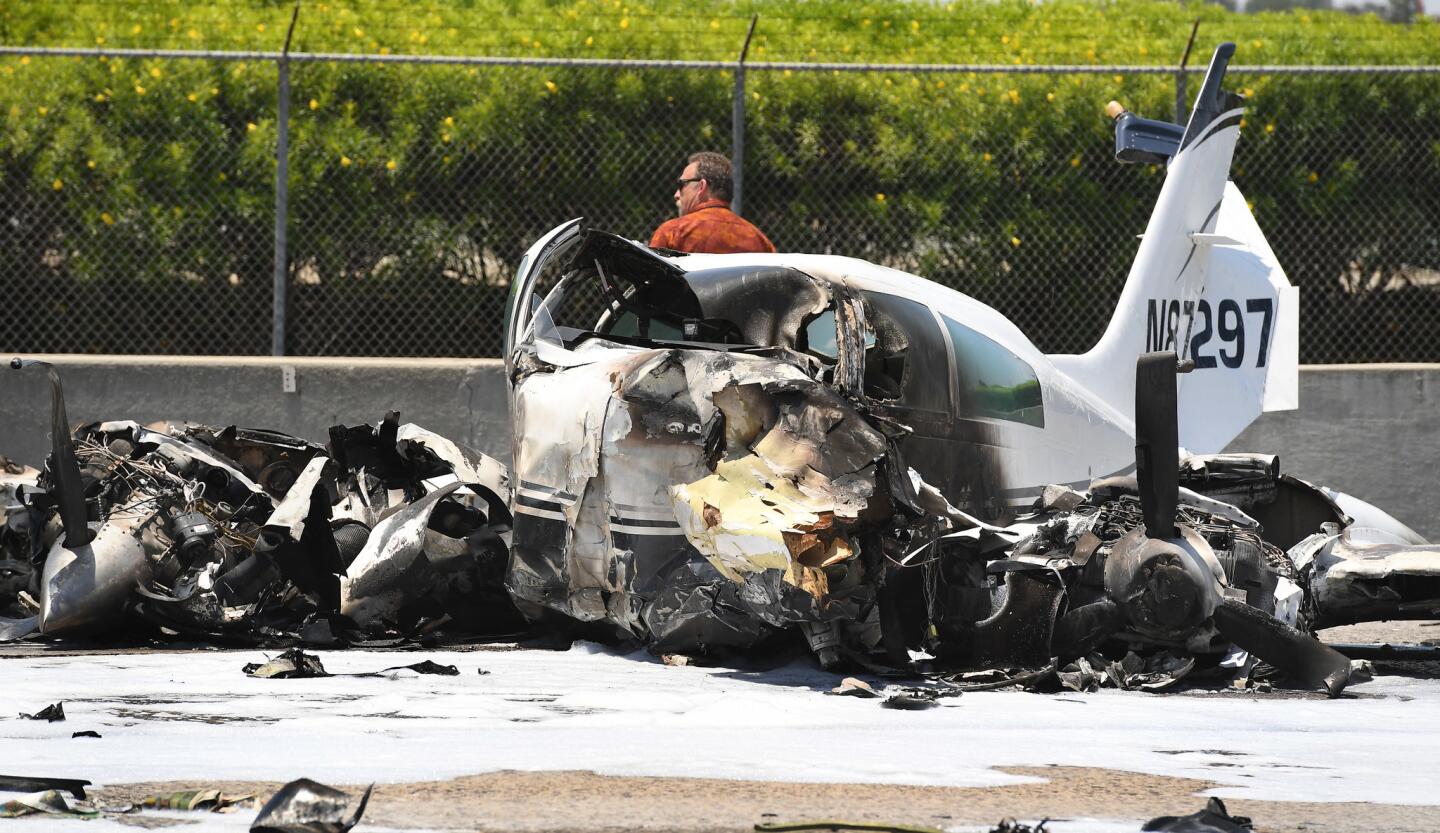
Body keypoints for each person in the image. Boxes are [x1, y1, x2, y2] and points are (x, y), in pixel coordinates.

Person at [649, 152, 775, 254]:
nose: (676, 195)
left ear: (701, 186)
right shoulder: (759, 240)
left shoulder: (672, 233)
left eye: (681, 184)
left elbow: (650, 281)